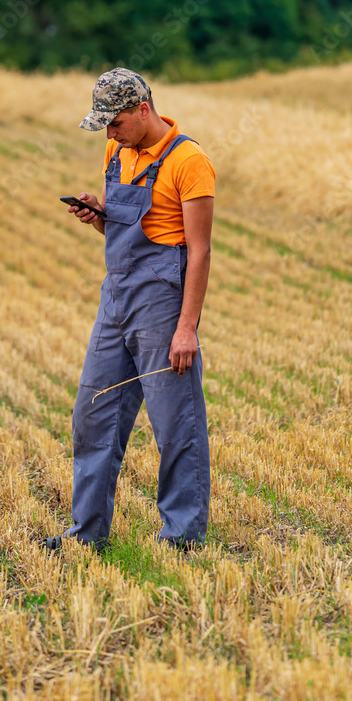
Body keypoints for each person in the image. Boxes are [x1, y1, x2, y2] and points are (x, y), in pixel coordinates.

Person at [39, 67, 214, 553]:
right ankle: (86, 534)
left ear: (143, 110)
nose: (109, 133)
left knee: (174, 421)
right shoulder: (117, 150)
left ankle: (182, 536)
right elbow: (120, 233)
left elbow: (198, 252)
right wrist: (97, 216)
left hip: (162, 302)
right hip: (115, 295)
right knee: (93, 414)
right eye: (104, 126)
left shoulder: (189, 162)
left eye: (114, 123)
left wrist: (186, 328)